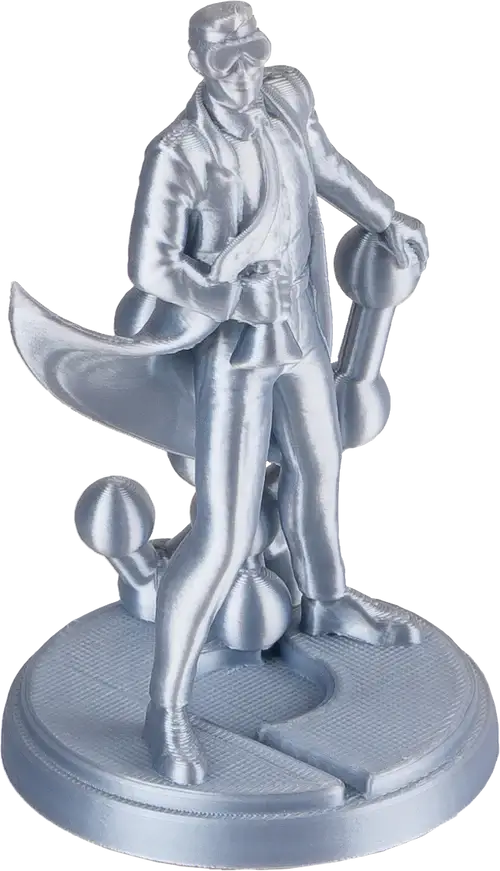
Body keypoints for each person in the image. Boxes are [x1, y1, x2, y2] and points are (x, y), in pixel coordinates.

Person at [128, 1, 430, 785]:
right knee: (224, 534)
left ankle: (326, 599)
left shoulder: (286, 99)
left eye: (251, 50)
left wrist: (387, 216)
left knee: (320, 470)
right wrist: (229, 298)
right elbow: (152, 266)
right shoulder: (179, 153)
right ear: (198, 64)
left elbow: (326, 168)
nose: (242, 71)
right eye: (224, 57)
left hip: (300, 333)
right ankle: (165, 709)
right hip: (234, 351)